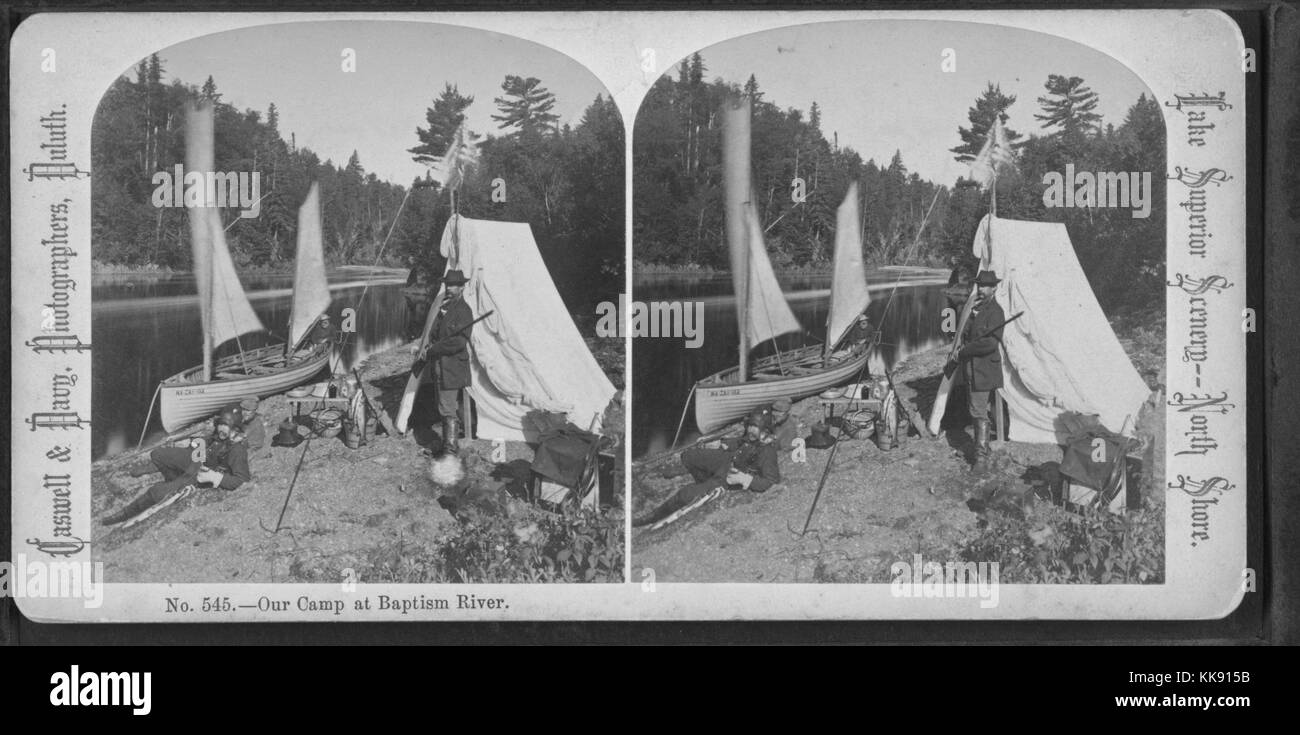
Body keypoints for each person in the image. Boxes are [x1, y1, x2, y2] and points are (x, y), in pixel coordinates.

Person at [634, 409, 782, 528]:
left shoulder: (767, 452)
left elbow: (771, 481)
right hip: (728, 461)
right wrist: (721, 443)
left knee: (685, 494)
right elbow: (741, 441)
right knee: (689, 456)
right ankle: (703, 483)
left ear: (765, 431)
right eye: (750, 425)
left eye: (755, 427)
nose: (750, 429)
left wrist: (745, 479)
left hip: (731, 478)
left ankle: (651, 517)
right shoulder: (752, 437)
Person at [104, 408, 252, 525]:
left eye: (226, 426)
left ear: (235, 429)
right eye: (221, 424)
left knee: (157, 491)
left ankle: (124, 514)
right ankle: (172, 478)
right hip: (197, 462)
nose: (221, 428)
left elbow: (243, 480)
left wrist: (215, 477)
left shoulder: (237, 450)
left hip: (202, 475)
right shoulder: (218, 437)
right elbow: (200, 446)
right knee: (159, 454)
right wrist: (183, 444)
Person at [947, 269, 1005, 469]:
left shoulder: (996, 312)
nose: (981, 289)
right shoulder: (976, 308)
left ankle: (980, 459)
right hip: (972, 368)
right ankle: (983, 448)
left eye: (985, 286)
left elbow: (989, 344)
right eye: (979, 285)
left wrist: (965, 351)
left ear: (994, 288)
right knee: (975, 408)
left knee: (979, 411)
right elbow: (968, 335)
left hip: (984, 369)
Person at [421, 269, 474, 453]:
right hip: (439, 366)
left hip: (452, 367)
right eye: (447, 285)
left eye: (454, 285)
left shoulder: (464, 311)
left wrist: (434, 349)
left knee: (447, 408)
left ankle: (450, 451)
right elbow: (437, 335)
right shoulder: (445, 307)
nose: (450, 288)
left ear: (462, 287)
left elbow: (458, 343)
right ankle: (447, 444)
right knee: (443, 406)